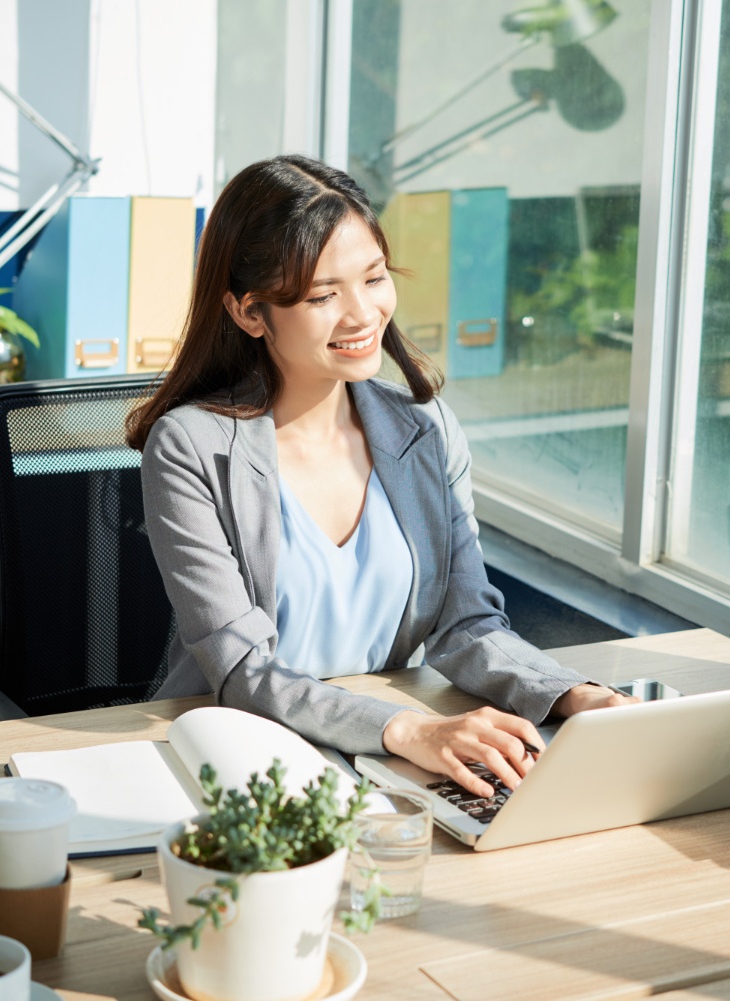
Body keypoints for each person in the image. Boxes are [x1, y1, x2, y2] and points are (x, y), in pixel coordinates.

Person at [125, 155, 635, 798]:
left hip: (386, 763)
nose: (362, 314)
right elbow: (243, 672)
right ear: (251, 312)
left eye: (373, 278)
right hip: (244, 757)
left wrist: (570, 696)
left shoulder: (426, 431)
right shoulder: (192, 448)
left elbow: (467, 625)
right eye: (322, 295)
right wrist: (409, 729)